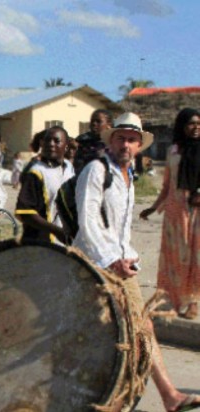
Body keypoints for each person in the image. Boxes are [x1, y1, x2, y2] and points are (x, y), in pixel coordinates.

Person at [73, 112, 200, 412]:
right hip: (94, 265)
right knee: (111, 334)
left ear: (140, 145)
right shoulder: (96, 170)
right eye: (121, 138)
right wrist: (112, 259)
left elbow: (120, 228)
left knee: (140, 328)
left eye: (132, 140)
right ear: (111, 140)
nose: (126, 145)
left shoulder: (127, 175)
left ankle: (166, 395)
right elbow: (88, 222)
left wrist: (127, 255)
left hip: (121, 265)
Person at [140, 108, 200, 319]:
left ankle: (193, 301)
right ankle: (171, 300)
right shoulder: (173, 151)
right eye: (191, 123)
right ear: (182, 126)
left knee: (196, 257)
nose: (196, 128)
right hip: (175, 213)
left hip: (197, 213)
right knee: (173, 258)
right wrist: (153, 207)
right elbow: (167, 186)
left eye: (199, 124)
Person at [15, 126, 75, 244]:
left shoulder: (69, 168)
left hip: (65, 241)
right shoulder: (36, 172)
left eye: (56, 141)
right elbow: (26, 213)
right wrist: (57, 231)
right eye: (47, 140)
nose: (51, 144)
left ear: (66, 146)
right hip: (41, 242)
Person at [74, 109, 113, 174]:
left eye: (98, 121)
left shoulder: (114, 143)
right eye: (92, 121)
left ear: (109, 125)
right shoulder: (82, 141)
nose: (94, 124)